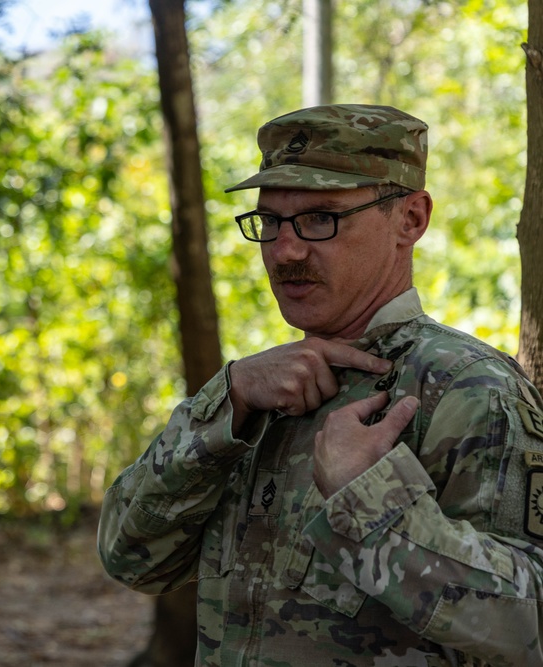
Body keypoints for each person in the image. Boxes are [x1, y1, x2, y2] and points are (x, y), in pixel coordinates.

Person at [97, 104, 543, 666]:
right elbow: (131, 559)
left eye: (320, 218)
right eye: (270, 222)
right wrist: (223, 406)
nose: (285, 250)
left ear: (410, 219)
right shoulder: (256, 393)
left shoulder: (466, 387)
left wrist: (369, 500)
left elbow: (531, 624)